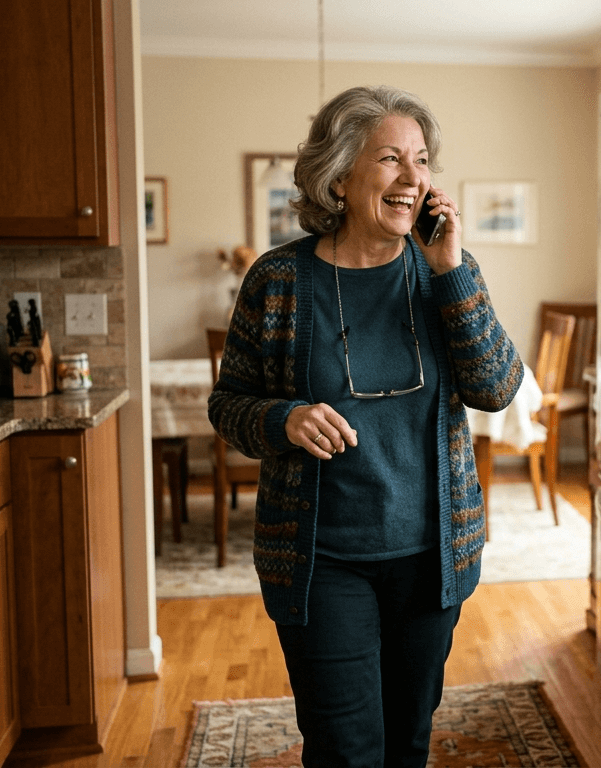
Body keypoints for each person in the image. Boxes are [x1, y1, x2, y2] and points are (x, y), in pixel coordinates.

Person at [207, 85, 523, 768]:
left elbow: (496, 388)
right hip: (323, 558)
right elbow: (228, 403)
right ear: (341, 176)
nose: (413, 179)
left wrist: (451, 276)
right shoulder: (278, 280)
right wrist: (283, 418)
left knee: (408, 742)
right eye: (390, 159)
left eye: (421, 160)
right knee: (345, 751)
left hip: (430, 555)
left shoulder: (447, 272)